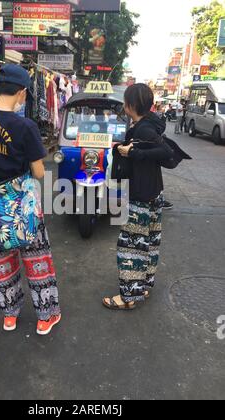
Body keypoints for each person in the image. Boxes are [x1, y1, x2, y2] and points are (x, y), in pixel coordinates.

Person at [0, 64, 61, 335]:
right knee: (36, 259)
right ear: (21, 92)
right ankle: (46, 316)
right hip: (23, 206)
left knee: (3, 260)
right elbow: (39, 172)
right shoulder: (25, 126)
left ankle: (10, 314)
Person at [103, 83, 174, 310]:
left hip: (141, 197)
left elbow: (166, 153)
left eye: (125, 102)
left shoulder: (144, 128)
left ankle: (128, 298)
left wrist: (132, 152)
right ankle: (142, 286)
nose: (124, 107)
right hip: (153, 192)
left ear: (132, 105)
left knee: (131, 247)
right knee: (150, 243)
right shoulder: (148, 124)